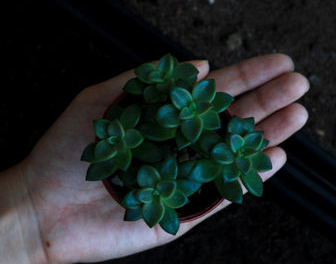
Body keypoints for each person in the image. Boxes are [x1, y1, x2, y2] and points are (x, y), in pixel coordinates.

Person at [0, 54, 309, 263]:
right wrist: (30, 226)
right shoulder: (136, 138)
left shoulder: (211, 141)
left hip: (195, 153)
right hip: (165, 159)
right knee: (163, 144)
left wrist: (29, 223)